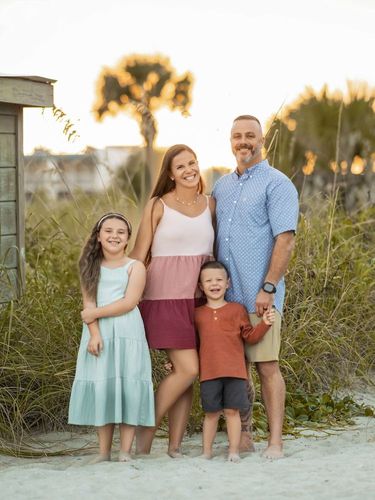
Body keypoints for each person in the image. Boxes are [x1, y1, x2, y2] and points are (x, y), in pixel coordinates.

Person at [213, 115, 299, 459]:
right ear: (230, 140)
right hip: (227, 301)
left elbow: (286, 240)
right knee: (237, 372)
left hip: (260, 297)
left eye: (250, 135)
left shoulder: (277, 184)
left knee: (267, 366)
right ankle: (244, 435)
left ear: (262, 140)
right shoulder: (221, 186)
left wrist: (268, 287)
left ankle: (275, 441)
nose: (243, 141)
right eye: (237, 136)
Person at [129, 144, 215, 457]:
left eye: (192, 163)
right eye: (181, 167)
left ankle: (175, 446)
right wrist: (122, 294)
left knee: (186, 374)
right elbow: (139, 255)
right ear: (170, 174)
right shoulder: (158, 205)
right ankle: (144, 429)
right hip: (163, 298)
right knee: (188, 369)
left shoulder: (211, 204)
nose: (189, 170)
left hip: (199, 300)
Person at [68, 212, 155, 463]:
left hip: (128, 332)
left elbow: (129, 302)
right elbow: (88, 302)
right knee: (103, 387)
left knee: (128, 386)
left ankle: (125, 451)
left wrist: (94, 313)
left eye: (120, 232)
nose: (114, 236)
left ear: (128, 238)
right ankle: (104, 452)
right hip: (99, 334)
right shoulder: (89, 266)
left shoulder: (135, 267)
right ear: (98, 236)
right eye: (108, 231)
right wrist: (94, 333)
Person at [195, 261, 275, 462]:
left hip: (235, 373)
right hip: (209, 373)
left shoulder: (237, 310)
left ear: (228, 283)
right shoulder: (197, 313)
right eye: (209, 281)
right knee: (211, 413)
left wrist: (264, 324)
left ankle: (233, 451)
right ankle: (206, 452)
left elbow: (250, 337)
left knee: (232, 412)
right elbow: (193, 344)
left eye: (219, 280)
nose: (214, 284)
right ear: (201, 286)